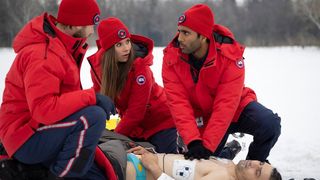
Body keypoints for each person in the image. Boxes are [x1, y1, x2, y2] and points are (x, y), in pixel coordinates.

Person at [0, 0, 115, 179]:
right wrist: (92, 97)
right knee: (92, 118)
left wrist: (93, 97)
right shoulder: (42, 55)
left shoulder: (61, 47)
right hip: (24, 139)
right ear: (76, 24)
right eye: (91, 24)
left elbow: (63, 101)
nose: (93, 31)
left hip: (42, 131)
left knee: (99, 174)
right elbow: (43, 109)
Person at [162, 4, 281, 162]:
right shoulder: (171, 59)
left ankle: (251, 168)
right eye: (179, 31)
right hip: (201, 117)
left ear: (203, 36)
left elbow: (226, 103)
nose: (179, 38)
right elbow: (178, 103)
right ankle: (228, 152)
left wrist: (208, 145)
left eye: (186, 33)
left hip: (234, 108)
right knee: (203, 164)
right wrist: (193, 140)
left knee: (269, 124)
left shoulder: (230, 55)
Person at [88, 17, 178, 153]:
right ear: (108, 49)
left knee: (164, 160)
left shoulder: (140, 67)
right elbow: (99, 100)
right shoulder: (98, 68)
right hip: (136, 125)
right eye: (119, 45)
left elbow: (136, 111)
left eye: (127, 42)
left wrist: (114, 136)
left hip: (161, 120)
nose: (126, 49)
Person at [127, 146, 282, 180]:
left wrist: (154, 167)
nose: (254, 164)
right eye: (260, 163)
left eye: (257, 172)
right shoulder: (229, 165)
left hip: (135, 171)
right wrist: (152, 155)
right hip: (140, 160)